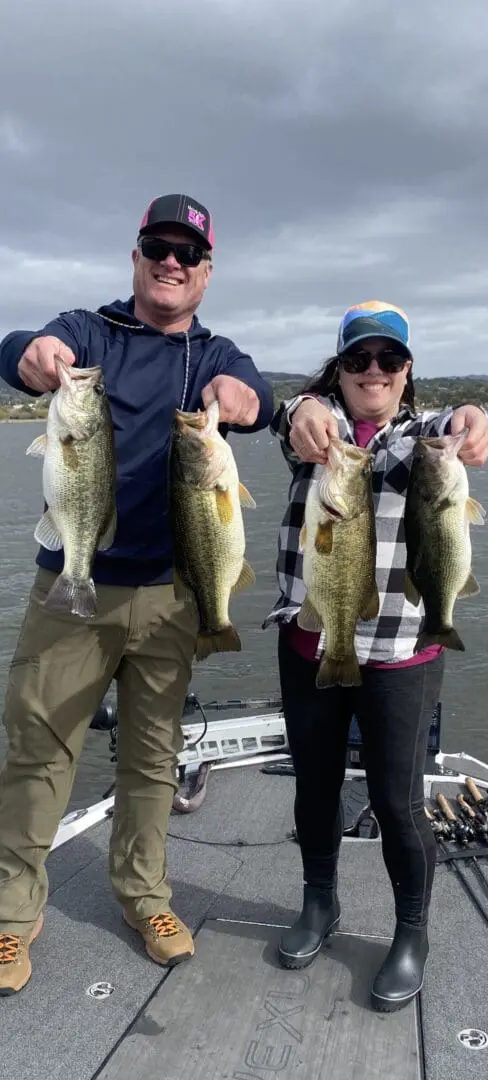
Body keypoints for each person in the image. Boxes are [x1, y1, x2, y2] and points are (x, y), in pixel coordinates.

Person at [0, 193, 274, 994]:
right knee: (37, 749)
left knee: (152, 761)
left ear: (206, 271)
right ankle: (12, 916)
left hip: (173, 596)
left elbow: (253, 398)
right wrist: (36, 352)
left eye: (188, 252)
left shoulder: (215, 352)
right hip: (72, 585)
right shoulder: (91, 332)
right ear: (136, 254)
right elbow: (17, 348)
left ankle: (144, 895)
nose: (171, 261)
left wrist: (237, 403)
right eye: (158, 245)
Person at [264, 300, 488, 1012]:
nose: (373, 370)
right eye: (358, 359)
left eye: (387, 360)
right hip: (312, 642)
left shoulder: (418, 443)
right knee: (314, 787)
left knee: (398, 802)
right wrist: (302, 406)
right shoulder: (314, 434)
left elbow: (452, 427)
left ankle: (409, 932)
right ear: (339, 370)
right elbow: (290, 420)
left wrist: (471, 417)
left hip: (402, 651)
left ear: (405, 374)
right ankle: (317, 903)